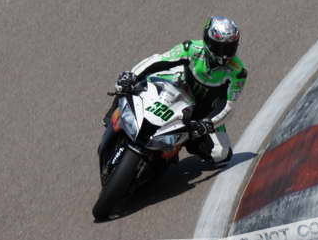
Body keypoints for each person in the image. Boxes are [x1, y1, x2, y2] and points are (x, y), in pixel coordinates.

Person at [104, 16, 247, 166]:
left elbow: (228, 105)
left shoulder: (238, 72)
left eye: (230, 48)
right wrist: (132, 75)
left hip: (203, 113)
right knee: (131, 84)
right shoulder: (191, 48)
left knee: (221, 154)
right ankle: (111, 117)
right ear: (208, 41)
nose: (224, 54)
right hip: (177, 88)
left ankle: (178, 146)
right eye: (220, 47)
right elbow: (160, 60)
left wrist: (208, 123)